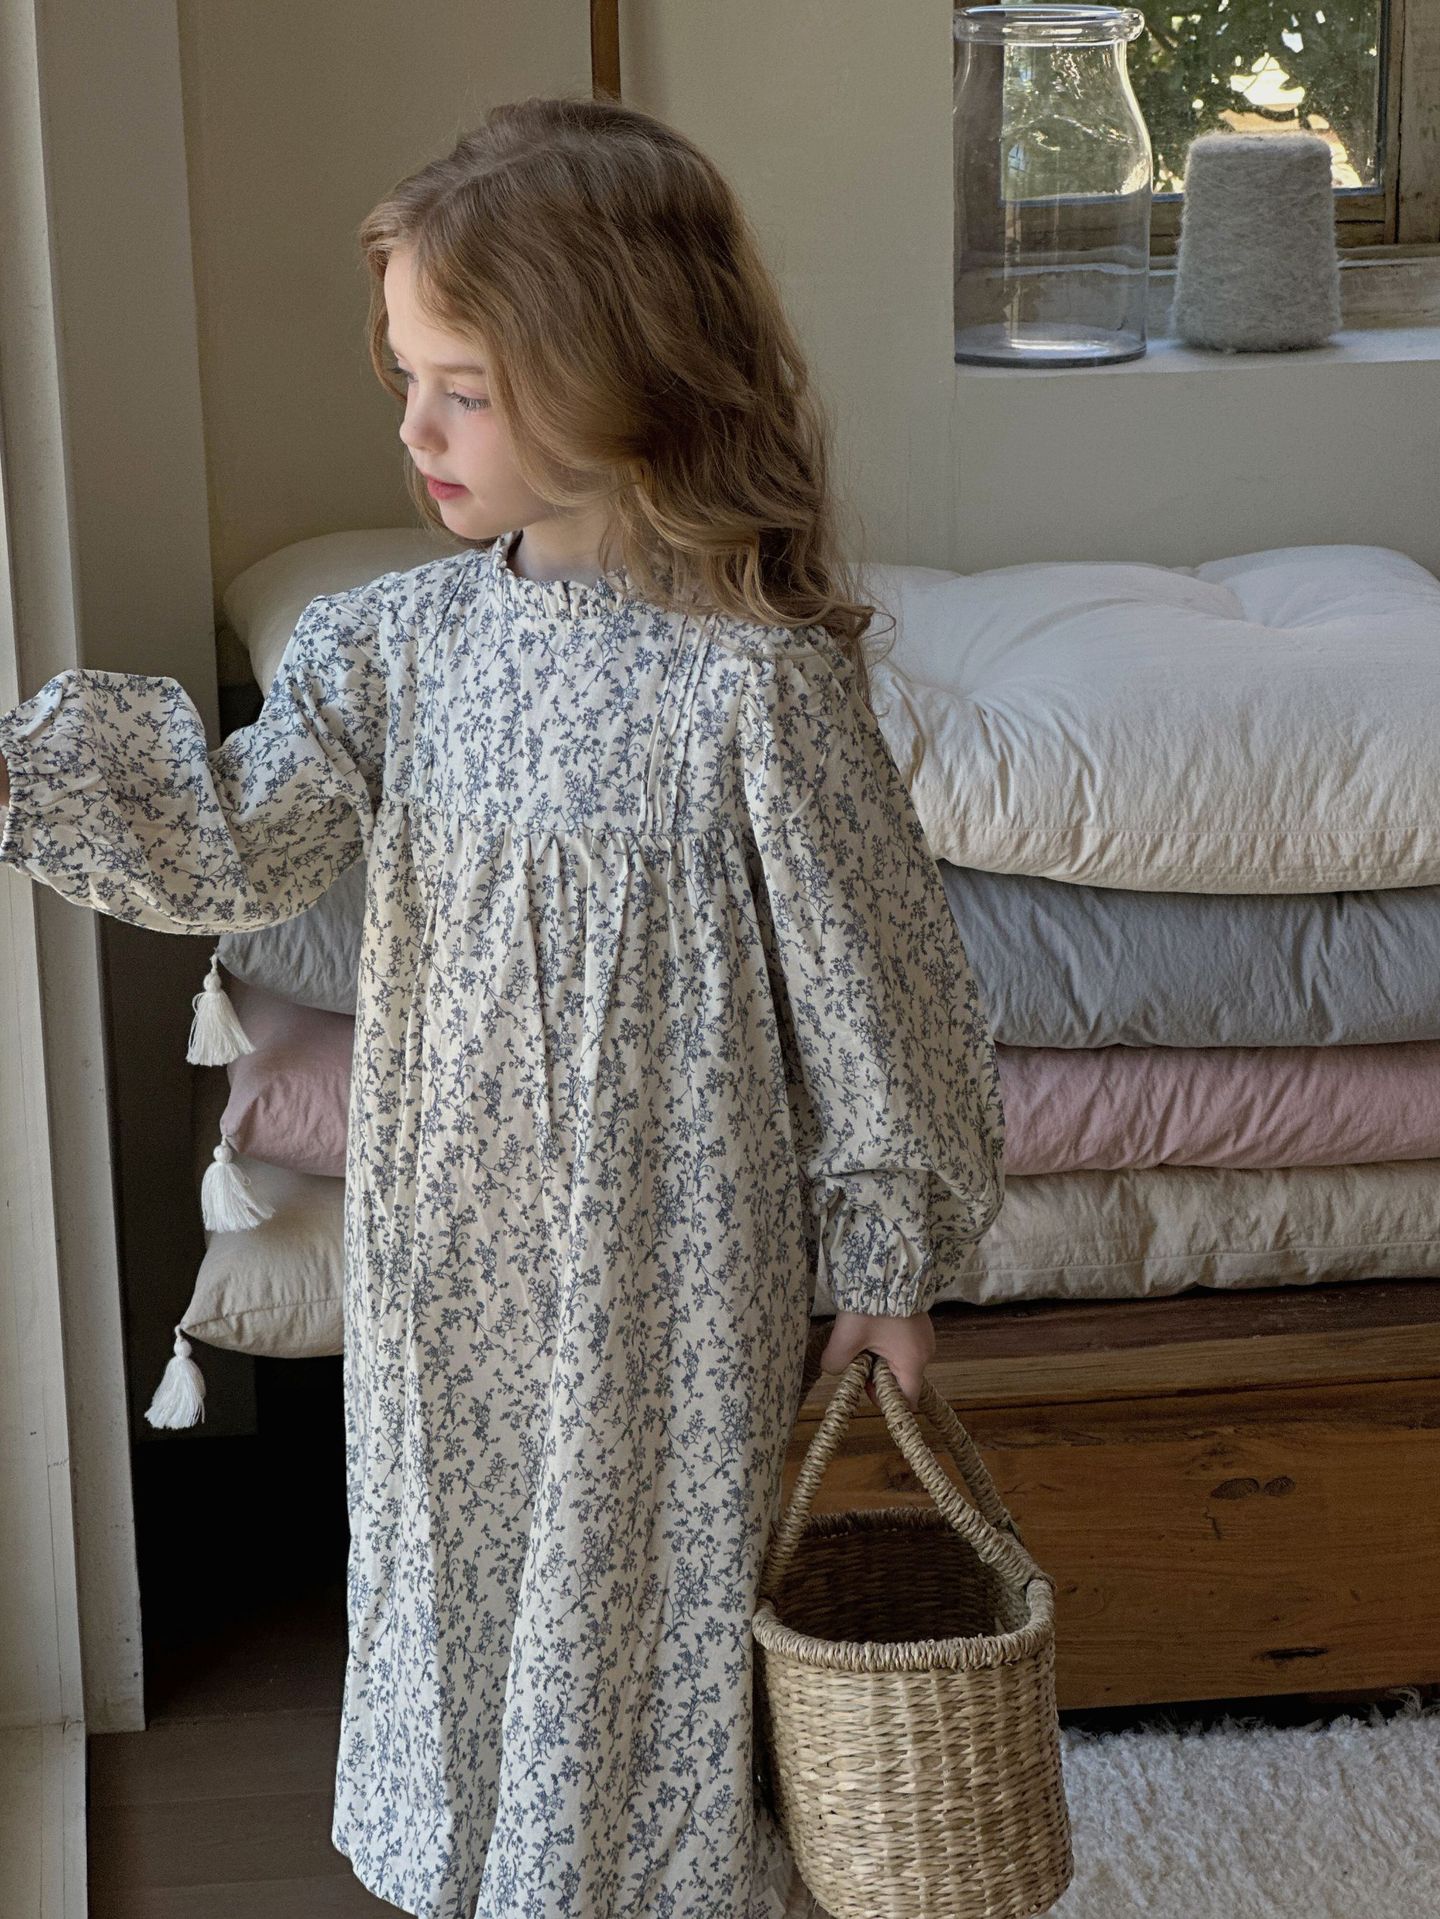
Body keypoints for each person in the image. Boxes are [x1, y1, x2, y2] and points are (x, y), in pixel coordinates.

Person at [0, 95, 1004, 1919]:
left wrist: (885, 1263)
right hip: (443, 1259)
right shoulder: (392, 647)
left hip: (666, 1281)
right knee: (453, 1598)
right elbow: (235, 836)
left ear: (625, 368)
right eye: (405, 377)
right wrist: (34, 768)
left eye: (460, 387)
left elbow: (880, 994)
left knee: (641, 1632)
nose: (412, 428)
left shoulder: (754, 689)